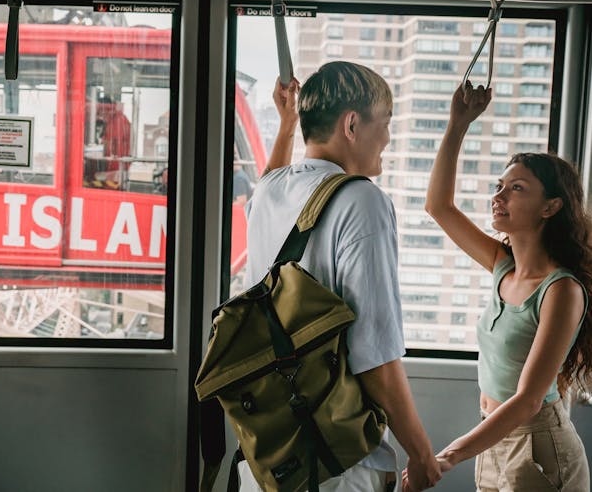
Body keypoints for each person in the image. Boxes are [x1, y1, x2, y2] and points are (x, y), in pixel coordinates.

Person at [241, 63, 442, 492]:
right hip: (338, 458)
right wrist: (421, 455)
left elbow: (270, 180)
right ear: (352, 124)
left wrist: (286, 126)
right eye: (384, 124)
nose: (387, 137)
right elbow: (375, 354)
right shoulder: (361, 201)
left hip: (271, 450)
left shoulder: (268, 192)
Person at [420, 81, 591, 491]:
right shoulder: (503, 266)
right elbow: (438, 207)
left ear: (551, 207)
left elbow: (530, 399)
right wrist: (457, 124)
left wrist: (448, 456)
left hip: (538, 445)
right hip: (494, 438)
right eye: (499, 186)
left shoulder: (560, 290)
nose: (499, 196)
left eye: (516, 189)